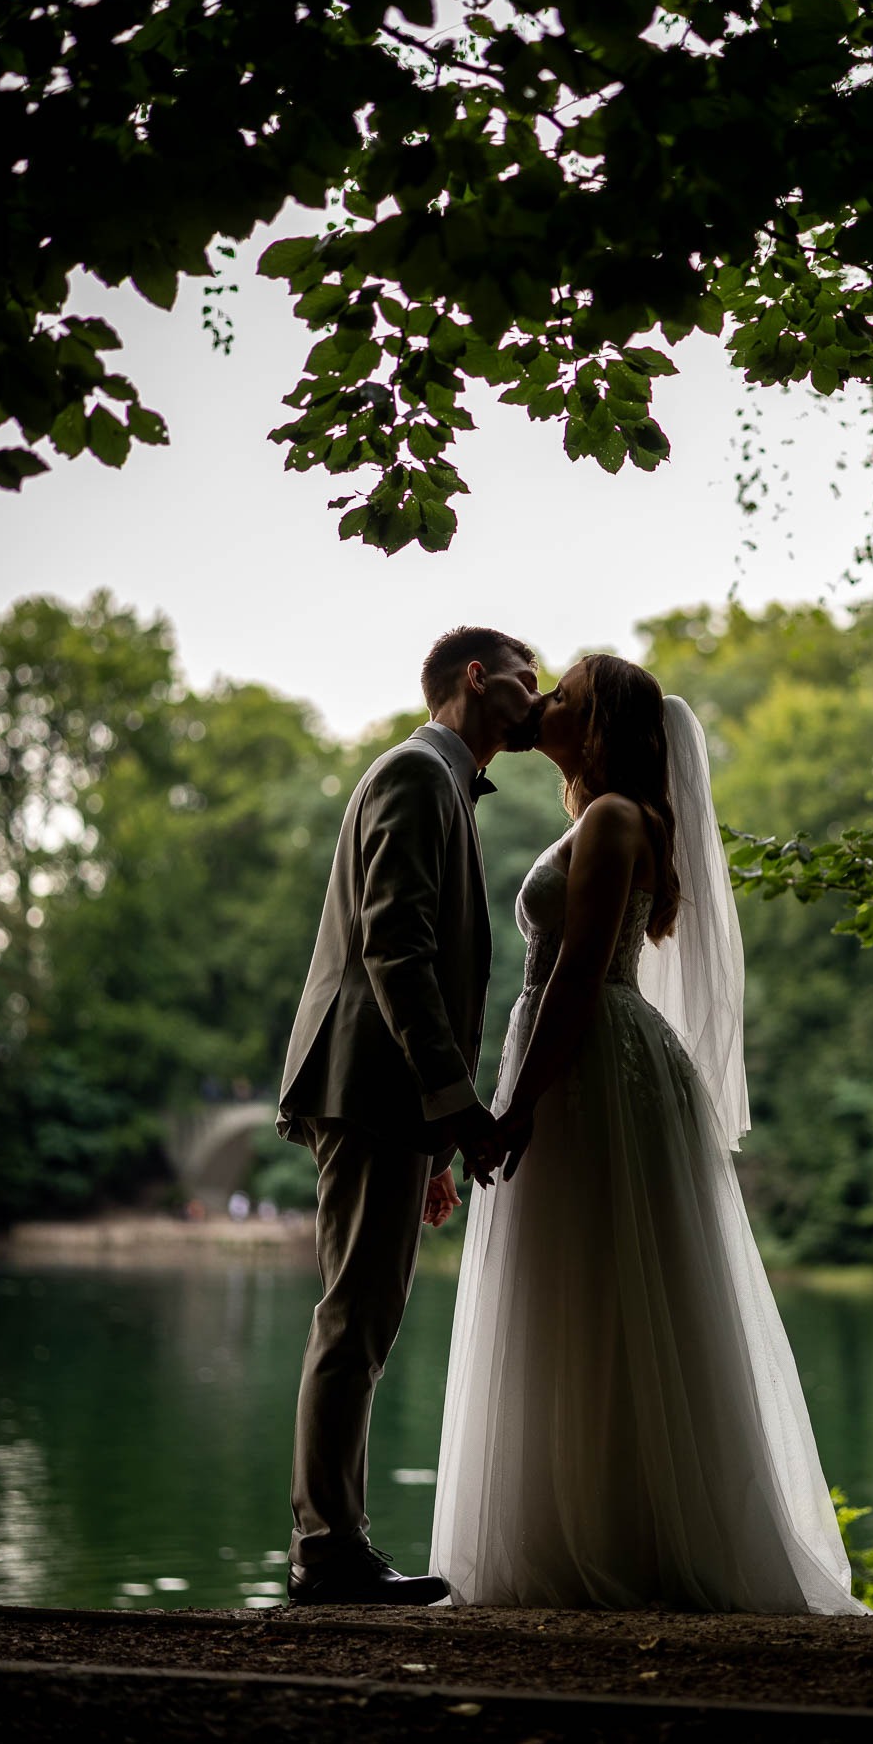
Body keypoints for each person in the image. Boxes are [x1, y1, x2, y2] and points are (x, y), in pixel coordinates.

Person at [430, 655, 871, 1615]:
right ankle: (581, 1525)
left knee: (605, 1286)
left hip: (592, 1065)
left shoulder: (615, 819)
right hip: (578, 1059)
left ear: (597, 729)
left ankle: (628, 1539)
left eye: (566, 698)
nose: (544, 702)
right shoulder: (596, 818)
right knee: (577, 1295)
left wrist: (514, 1111)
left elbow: (579, 975)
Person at [277, 626, 543, 1606]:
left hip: (391, 1100)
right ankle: (325, 1550)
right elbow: (395, 948)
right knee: (354, 1318)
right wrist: (455, 1107)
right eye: (526, 675)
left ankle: (332, 1542)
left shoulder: (440, 781)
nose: (536, 692)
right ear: (477, 678)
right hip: (367, 1086)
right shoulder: (415, 773)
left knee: (367, 1319)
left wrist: (435, 1140)